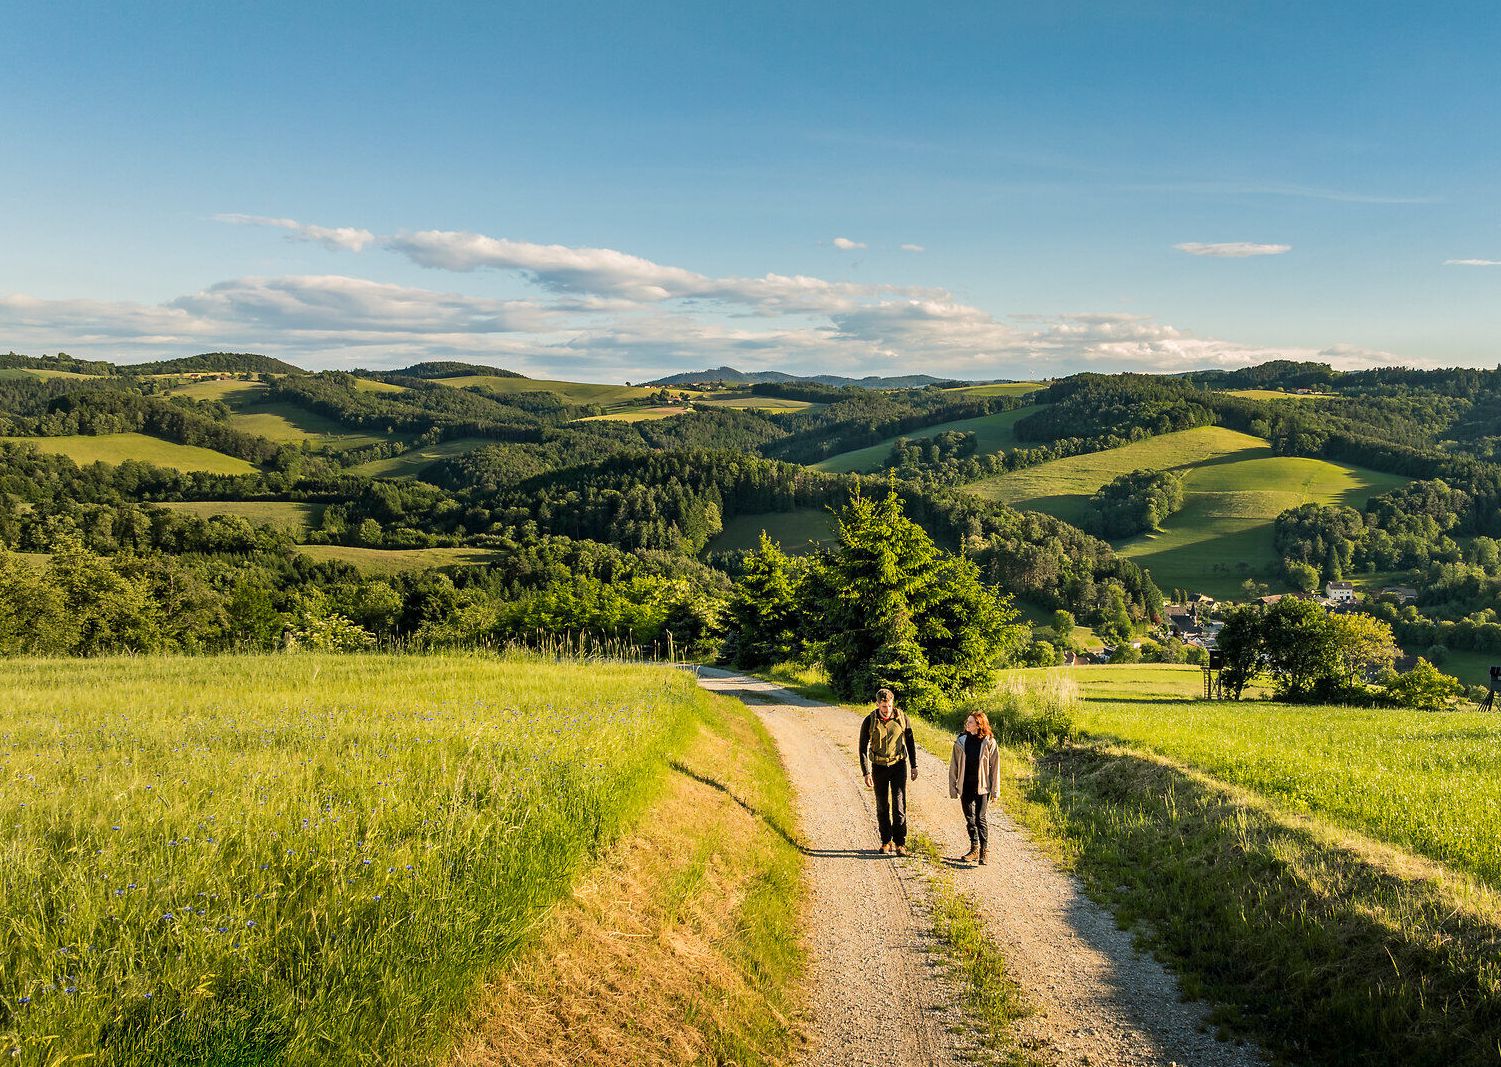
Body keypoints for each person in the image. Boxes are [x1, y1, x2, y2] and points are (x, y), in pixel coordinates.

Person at [859, 687, 917, 855]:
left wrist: (914, 766)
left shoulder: (902, 718)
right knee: (882, 805)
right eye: (884, 706)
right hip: (879, 767)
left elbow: (910, 742)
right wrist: (866, 772)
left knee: (899, 804)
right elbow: (862, 748)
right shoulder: (869, 721)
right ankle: (886, 841)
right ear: (877, 704)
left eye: (890, 706)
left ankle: (900, 843)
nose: (887, 709)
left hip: (898, 765)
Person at [948, 711, 999, 864]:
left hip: (982, 787)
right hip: (966, 785)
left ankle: (984, 851)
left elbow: (995, 768)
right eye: (968, 721)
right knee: (969, 818)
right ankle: (974, 848)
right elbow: (954, 765)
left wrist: (995, 790)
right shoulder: (961, 741)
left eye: (970, 722)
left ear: (979, 724)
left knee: (980, 818)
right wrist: (953, 787)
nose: (967, 724)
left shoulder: (989, 742)